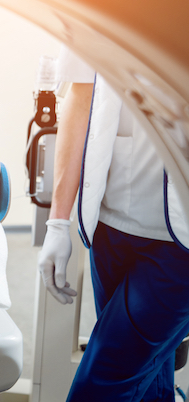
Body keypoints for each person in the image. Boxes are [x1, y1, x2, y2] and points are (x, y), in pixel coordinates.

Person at [37, 45, 189, 401]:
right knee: (147, 380)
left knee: (102, 385)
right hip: (109, 226)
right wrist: (57, 222)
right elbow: (80, 96)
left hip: (181, 246)